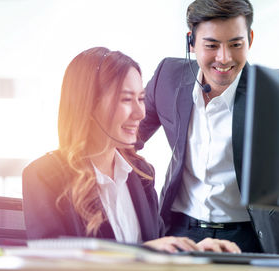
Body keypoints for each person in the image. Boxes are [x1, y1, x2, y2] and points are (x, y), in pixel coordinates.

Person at [22, 47, 240, 254]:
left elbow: (158, 246)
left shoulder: (141, 173)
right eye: (126, 99)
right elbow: (51, 259)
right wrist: (141, 252)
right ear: (88, 103)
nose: (140, 113)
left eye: (141, 99)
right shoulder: (43, 176)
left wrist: (195, 250)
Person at [138, 0, 279, 254]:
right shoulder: (168, 78)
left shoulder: (276, 91)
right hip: (180, 230)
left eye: (235, 44)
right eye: (211, 45)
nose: (224, 58)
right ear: (191, 42)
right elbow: (125, 136)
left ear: (250, 39)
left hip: (252, 234)